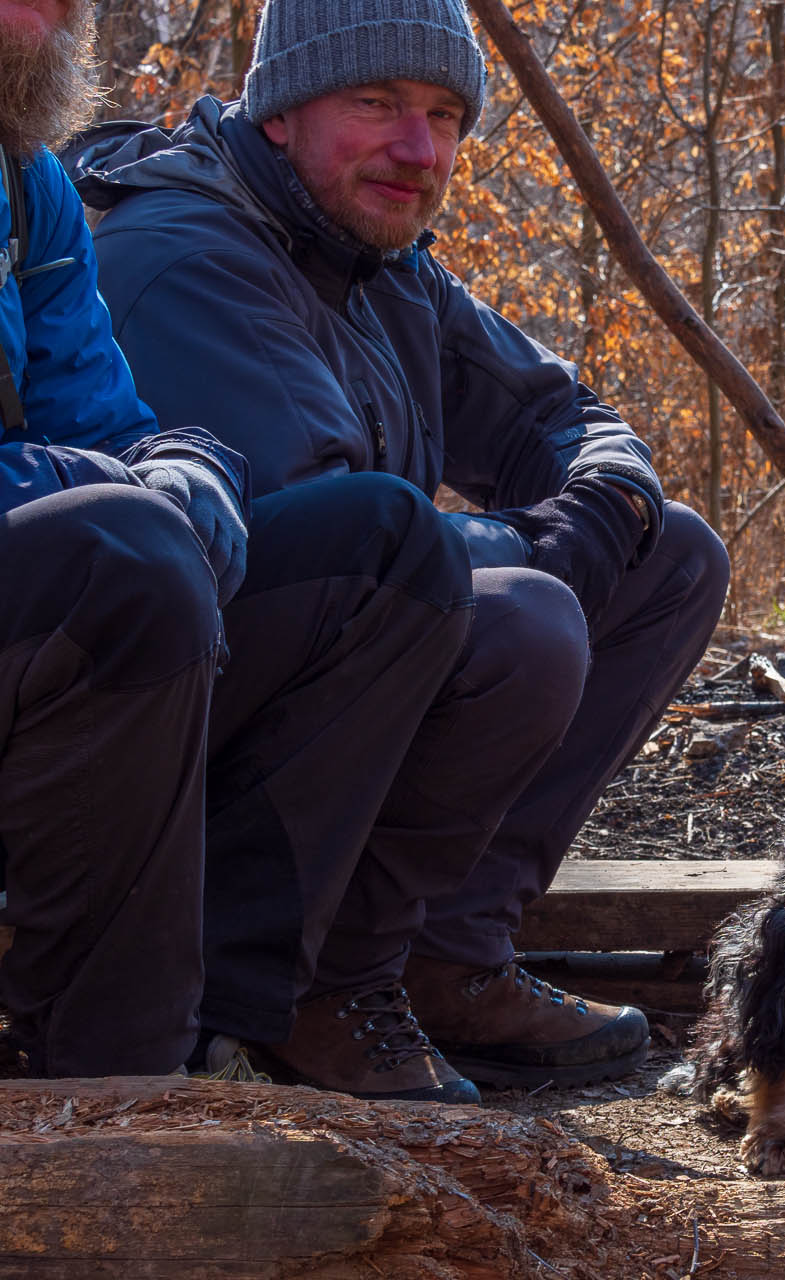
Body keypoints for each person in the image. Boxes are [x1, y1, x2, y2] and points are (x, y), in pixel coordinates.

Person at [68, 0, 730, 1097]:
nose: (418, 149)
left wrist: (605, 499)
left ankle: (448, 955)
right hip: (182, 741)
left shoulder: (377, 260)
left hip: (337, 659)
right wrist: (544, 547)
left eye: (441, 114)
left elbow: (561, 414)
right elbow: (348, 548)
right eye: (374, 104)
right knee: (522, 617)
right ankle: (316, 984)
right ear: (279, 112)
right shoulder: (183, 251)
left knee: (674, 555)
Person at [2, 0, 480, 1100]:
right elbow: (100, 485)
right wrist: (128, 487)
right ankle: (112, 1079)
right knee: (125, 555)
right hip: (57, 582)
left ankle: (242, 1023)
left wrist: (181, 457)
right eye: (375, 104)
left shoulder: (26, 185)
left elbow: (103, 417)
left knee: (386, 543)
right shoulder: (181, 237)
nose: (63, 11)